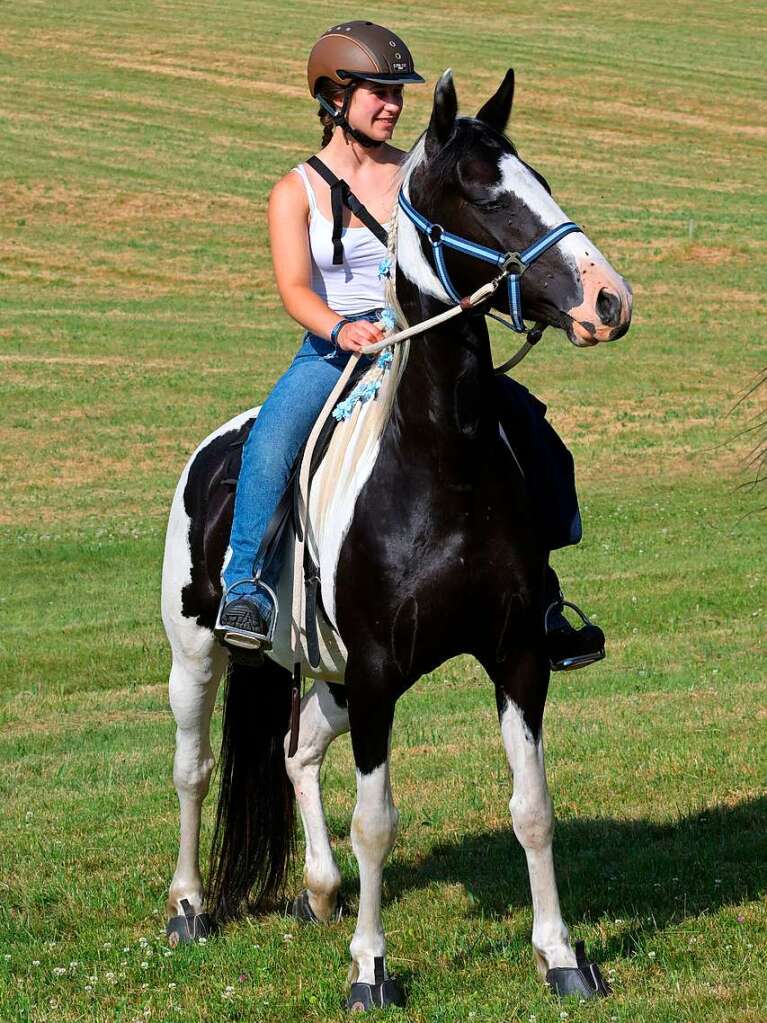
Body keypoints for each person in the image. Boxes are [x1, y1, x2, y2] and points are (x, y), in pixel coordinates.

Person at [215, 20, 604, 671]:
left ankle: (541, 596)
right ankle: (244, 586)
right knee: (272, 440)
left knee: (528, 428)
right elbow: (293, 288)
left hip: (423, 346)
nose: (393, 104)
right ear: (332, 100)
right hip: (335, 351)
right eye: (376, 90)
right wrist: (340, 328)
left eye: (397, 92)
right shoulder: (295, 192)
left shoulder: (420, 176)